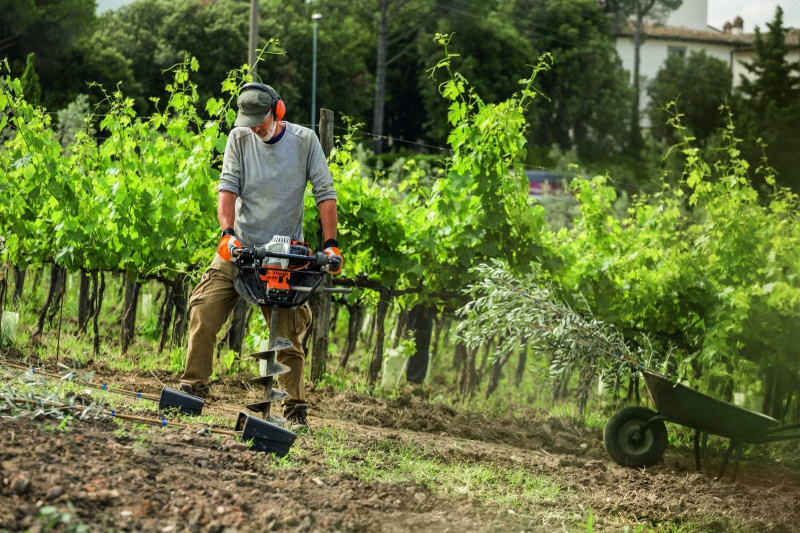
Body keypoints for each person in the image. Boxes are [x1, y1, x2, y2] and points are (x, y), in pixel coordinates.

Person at [179, 82, 342, 431]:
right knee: (203, 309)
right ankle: (193, 388)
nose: (256, 127)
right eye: (250, 121)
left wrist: (331, 244)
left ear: (277, 111)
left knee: (286, 337)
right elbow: (227, 187)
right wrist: (227, 235)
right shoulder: (239, 139)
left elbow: (325, 193)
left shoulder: (305, 141)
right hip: (241, 250)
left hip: (283, 257)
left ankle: (294, 410)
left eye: (261, 120)